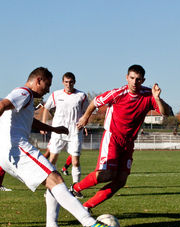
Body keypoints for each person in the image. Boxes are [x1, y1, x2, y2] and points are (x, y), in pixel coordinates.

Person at [0, 67, 118, 227]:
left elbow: (30, 121)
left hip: (9, 153)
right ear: (38, 80)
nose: (48, 90)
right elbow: (0, 106)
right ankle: (89, 222)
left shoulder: (23, 98)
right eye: (47, 85)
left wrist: (54, 128)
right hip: (17, 149)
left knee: (53, 181)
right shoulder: (24, 92)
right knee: (55, 179)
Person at [69, 64, 172, 210]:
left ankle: (85, 207)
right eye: (132, 78)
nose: (134, 82)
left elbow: (166, 112)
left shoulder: (149, 95)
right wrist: (86, 117)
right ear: (127, 78)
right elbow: (95, 101)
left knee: (121, 180)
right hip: (112, 138)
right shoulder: (118, 93)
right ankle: (75, 188)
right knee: (106, 175)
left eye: (138, 79)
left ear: (143, 80)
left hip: (129, 142)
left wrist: (157, 98)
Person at [42, 72, 89, 186]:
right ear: (63, 82)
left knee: (75, 161)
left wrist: (85, 123)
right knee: (52, 160)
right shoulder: (56, 94)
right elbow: (46, 108)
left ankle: (75, 187)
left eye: (71, 82)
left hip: (74, 132)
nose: (68, 84)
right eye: (66, 82)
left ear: (74, 82)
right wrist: (43, 124)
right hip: (58, 131)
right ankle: (52, 187)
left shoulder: (81, 95)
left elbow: (86, 112)